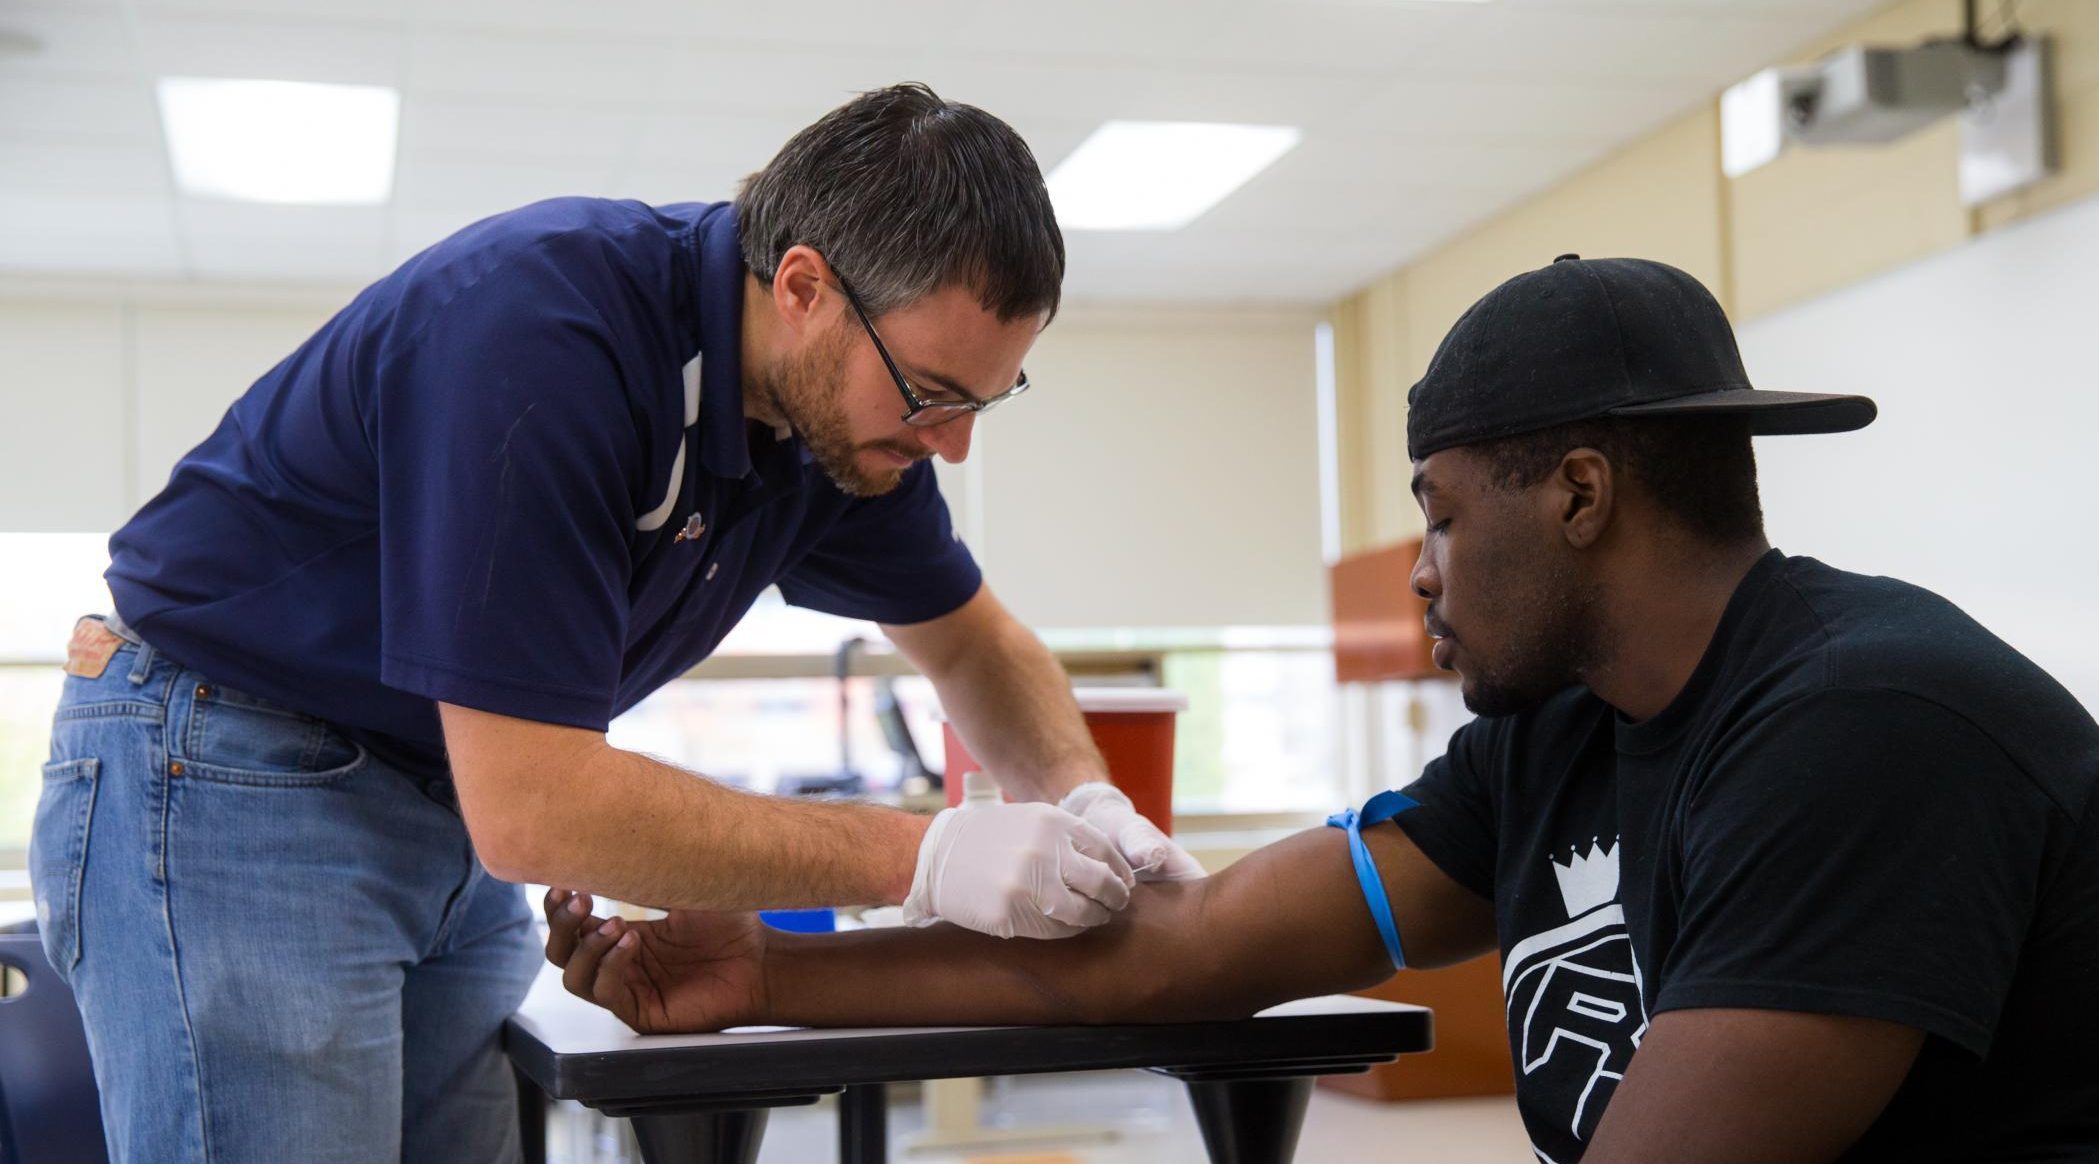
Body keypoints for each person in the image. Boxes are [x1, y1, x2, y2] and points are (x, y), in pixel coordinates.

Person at [542, 256, 2099, 1162]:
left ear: (1576, 495)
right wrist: (764, 977)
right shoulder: (1560, 734)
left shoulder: (1864, 727)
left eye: (1434, 513)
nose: (1416, 573)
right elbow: (1181, 955)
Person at [31, 83, 1202, 1163]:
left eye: (983, 403)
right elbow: (537, 803)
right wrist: (930, 855)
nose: (949, 442)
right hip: (226, 764)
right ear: (803, 289)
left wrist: (1081, 799)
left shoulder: (833, 433)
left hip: (432, 805)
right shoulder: (541, 331)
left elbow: (973, 642)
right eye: (933, 394)